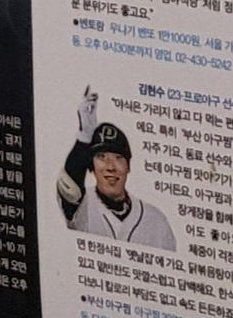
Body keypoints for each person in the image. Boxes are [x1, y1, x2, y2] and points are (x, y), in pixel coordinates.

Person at [57, 94, 177, 249]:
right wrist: (84, 137)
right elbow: (70, 187)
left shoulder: (156, 220)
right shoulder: (82, 205)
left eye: (118, 157)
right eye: (101, 157)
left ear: (128, 166)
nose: (110, 167)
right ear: (91, 167)